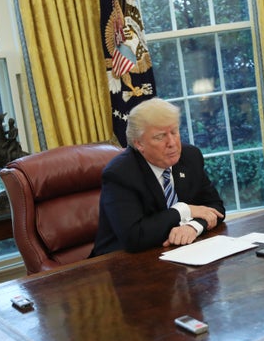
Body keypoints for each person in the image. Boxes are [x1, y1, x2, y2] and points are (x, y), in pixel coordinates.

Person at [91, 98, 225, 256]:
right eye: (160, 137)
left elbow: (215, 207)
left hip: (177, 253)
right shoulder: (120, 174)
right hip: (119, 263)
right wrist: (184, 210)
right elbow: (134, 237)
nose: (172, 143)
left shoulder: (190, 157)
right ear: (139, 143)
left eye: (174, 132)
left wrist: (193, 227)